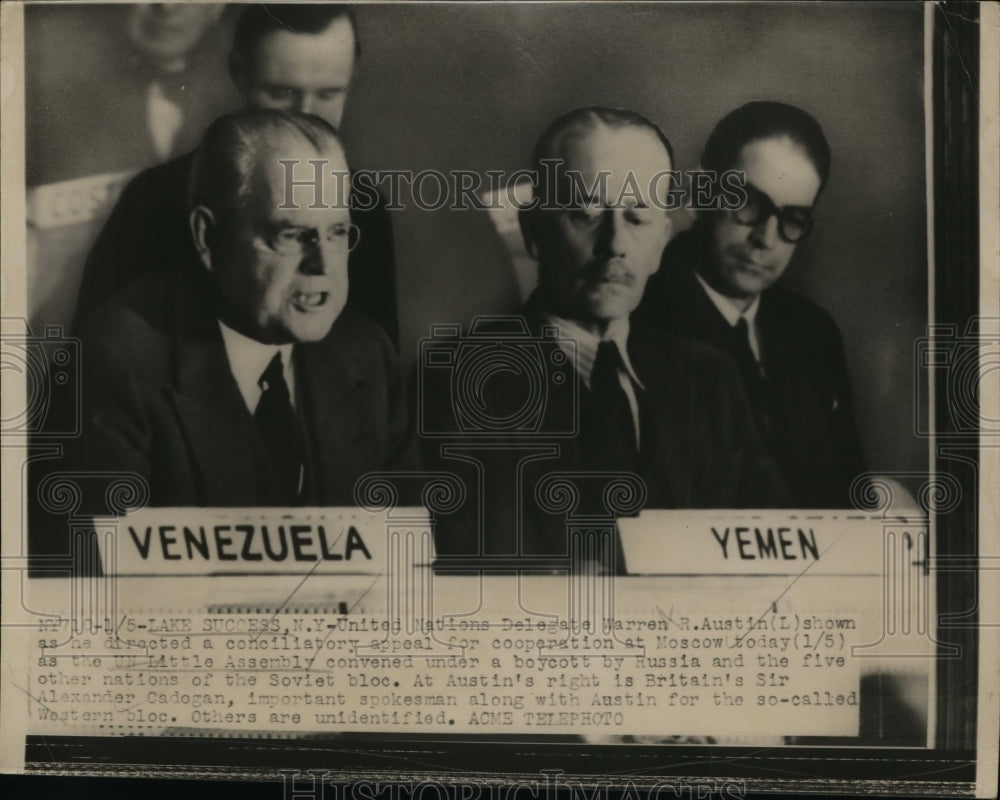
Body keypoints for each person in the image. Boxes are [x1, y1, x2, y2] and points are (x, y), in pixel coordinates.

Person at [421, 107, 786, 568]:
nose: (614, 243)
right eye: (586, 213)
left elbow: (774, 560)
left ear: (661, 244)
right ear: (534, 232)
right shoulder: (457, 383)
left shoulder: (711, 381)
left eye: (637, 219)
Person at [67, 110, 410, 508]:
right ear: (208, 237)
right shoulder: (117, 363)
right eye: (291, 235)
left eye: (337, 232)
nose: (322, 265)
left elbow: (404, 554)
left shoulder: (366, 354)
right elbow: (103, 562)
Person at [74, 3, 399, 347]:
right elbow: (95, 364)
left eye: (328, 94)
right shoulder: (153, 200)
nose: (306, 116)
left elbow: (376, 374)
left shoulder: (364, 205)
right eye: (281, 93)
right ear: (238, 73)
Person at [635, 101, 866, 507]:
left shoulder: (813, 332)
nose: (766, 237)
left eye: (793, 217)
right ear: (699, 193)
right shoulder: (635, 314)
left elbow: (845, 493)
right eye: (747, 202)